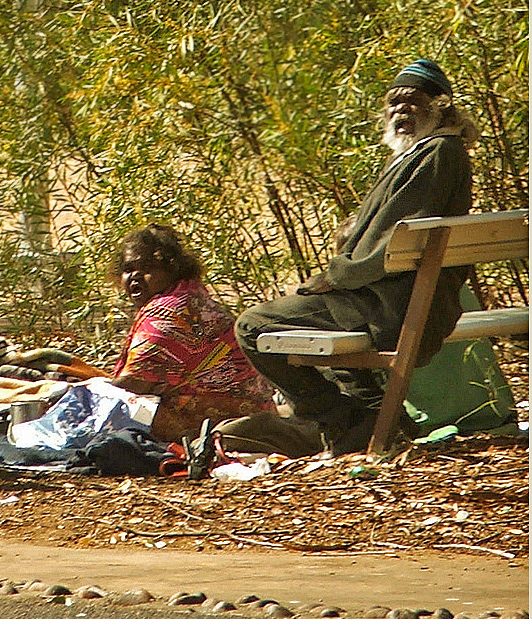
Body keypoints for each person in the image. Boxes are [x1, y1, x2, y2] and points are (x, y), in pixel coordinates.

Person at [235, 57, 477, 453]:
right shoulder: (423, 153)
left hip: (393, 306)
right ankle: (379, 420)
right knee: (321, 326)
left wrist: (335, 277)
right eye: (393, 102)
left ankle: (343, 418)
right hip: (398, 298)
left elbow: (392, 243)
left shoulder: (436, 154)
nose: (400, 110)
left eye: (412, 101)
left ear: (440, 105)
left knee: (251, 326)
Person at [109, 224, 276, 443]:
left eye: (148, 267)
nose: (135, 276)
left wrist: (67, 392)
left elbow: (133, 385)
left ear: (173, 269)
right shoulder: (192, 299)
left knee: (110, 408)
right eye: (128, 269)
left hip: (225, 427)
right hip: (255, 418)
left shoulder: (168, 312)